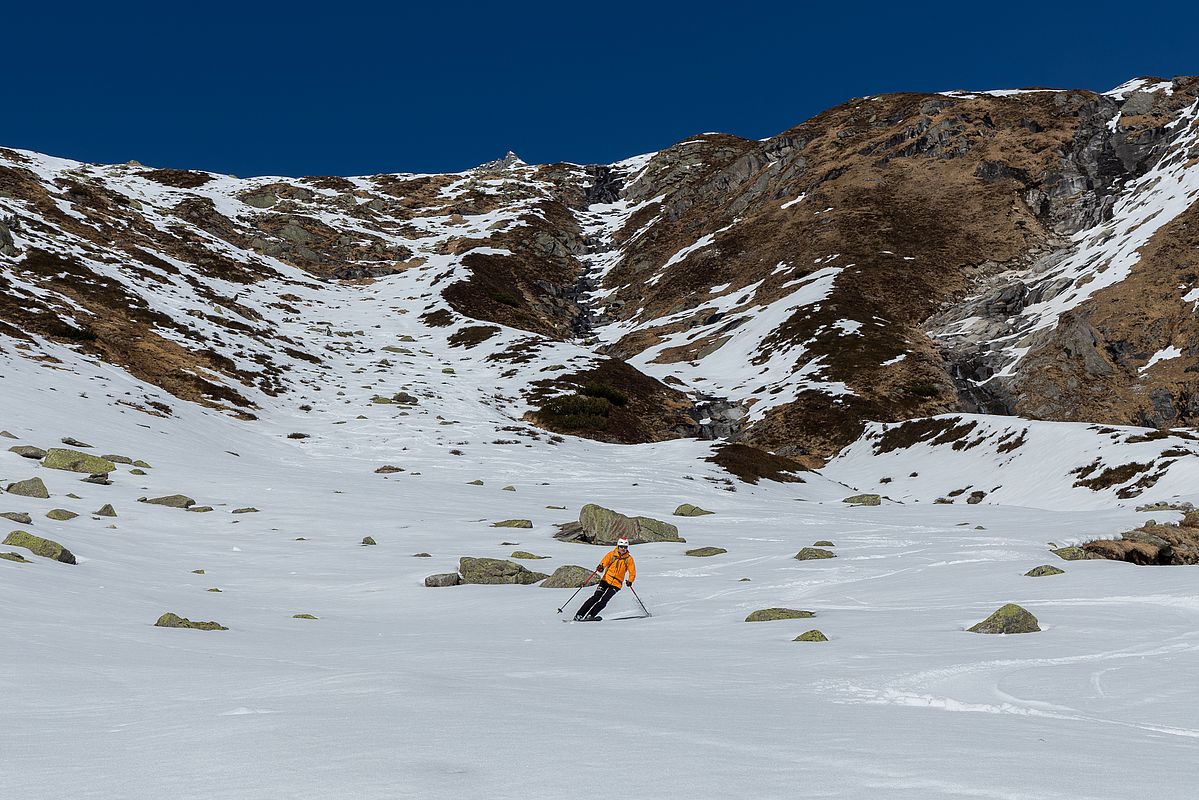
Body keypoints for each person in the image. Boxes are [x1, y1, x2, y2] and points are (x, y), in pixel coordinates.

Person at [574, 537, 636, 621]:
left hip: (616, 584)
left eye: (625, 547)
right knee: (596, 597)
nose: (623, 549)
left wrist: (630, 581)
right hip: (606, 580)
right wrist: (600, 567)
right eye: (621, 546)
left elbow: (632, 572)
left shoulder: (629, 559)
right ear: (618, 546)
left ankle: (591, 615)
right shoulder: (611, 555)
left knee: (604, 600)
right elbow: (603, 563)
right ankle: (579, 615)